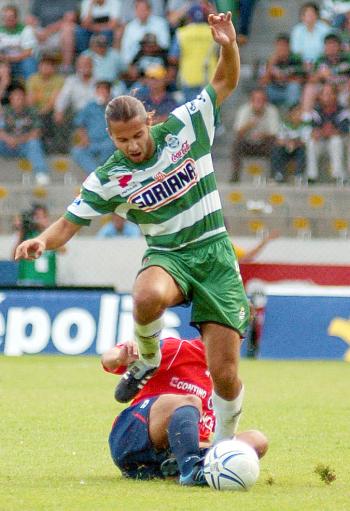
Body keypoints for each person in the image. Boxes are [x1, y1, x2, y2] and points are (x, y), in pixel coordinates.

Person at [15, 13, 251, 469]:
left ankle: (222, 447)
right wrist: (42, 241)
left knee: (225, 374)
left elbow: (225, 81)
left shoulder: (185, 127)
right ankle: (146, 358)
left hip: (216, 253)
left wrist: (229, 44)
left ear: (149, 120)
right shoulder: (111, 177)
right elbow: (69, 222)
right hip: (169, 256)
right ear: (112, 137)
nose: (134, 146)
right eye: (124, 141)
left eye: (139, 135)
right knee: (145, 294)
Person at [103, 337, 268, 483]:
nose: (234, 341)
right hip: (132, 436)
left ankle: (176, 466)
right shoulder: (177, 348)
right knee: (191, 402)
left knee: (256, 441)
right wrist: (120, 357)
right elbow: (107, 359)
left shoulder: (227, 382)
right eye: (229, 333)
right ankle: (191, 469)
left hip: (175, 449)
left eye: (240, 335)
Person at [0, 83, 50, 186]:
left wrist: (17, 140)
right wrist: (9, 139)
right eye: (15, 96)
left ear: (25, 97)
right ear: (10, 98)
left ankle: (41, 173)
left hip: (24, 146)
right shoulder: (5, 112)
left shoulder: (32, 111)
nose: (18, 98)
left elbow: (36, 132)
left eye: (20, 95)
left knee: (34, 143)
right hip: (7, 146)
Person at [231, 88, 280, 182]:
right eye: (256, 100)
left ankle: (274, 176)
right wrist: (249, 125)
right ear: (251, 101)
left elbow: (274, 133)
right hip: (248, 143)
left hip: (264, 143)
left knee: (275, 145)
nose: (259, 103)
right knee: (236, 144)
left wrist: (263, 135)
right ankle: (235, 176)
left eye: (261, 100)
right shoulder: (244, 110)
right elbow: (237, 132)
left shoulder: (272, 111)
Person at [13, 204, 65, 287]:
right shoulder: (27, 235)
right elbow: (14, 257)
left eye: (42, 217)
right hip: (28, 280)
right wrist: (22, 231)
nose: (39, 220)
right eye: (37, 217)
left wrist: (48, 229)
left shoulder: (50, 235)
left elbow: (63, 250)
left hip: (48, 281)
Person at [306, 83, 349, 183]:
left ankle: (337, 175)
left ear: (335, 95)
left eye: (330, 94)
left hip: (339, 144)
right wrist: (323, 132)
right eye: (324, 94)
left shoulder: (343, 110)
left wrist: (329, 132)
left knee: (336, 140)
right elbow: (313, 131)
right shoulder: (315, 110)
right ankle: (312, 176)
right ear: (320, 96)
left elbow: (343, 130)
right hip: (321, 143)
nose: (327, 97)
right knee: (311, 142)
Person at [70, 80, 116, 173]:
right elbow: (79, 124)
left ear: (109, 92)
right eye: (99, 90)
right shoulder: (90, 106)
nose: (101, 93)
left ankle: (98, 176)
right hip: (91, 142)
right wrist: (83, 138)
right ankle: (96, 175)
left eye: (104, 90)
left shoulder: (116, 107)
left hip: (109, 142)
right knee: (77, 152)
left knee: (110, 148)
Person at [26, 55, 65, 154]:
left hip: (51, 110)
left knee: (50, 117)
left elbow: (54, 100)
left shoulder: (59, 79)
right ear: (39, 66)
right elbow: (30, 100)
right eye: (44, 65)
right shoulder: (32, 78)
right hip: (35, 110)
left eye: (50, 65)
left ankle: (55, 146)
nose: (47, 67)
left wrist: (41, 111)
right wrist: (36, 111)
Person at [260, 33, 304, 109]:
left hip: (289, 91)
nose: (281, 48)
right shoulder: (271, 60)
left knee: (294, 87)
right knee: (263, 91)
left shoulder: (296, 59)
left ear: (289, 46)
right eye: (279, 45)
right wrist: (271, 64)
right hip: (274, 90)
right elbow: (263, 82)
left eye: (284, 45)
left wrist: (284, 77)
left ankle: (290, 111)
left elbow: (301, 79)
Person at [271, 104, 309, 183]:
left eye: (300, 113)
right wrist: (288, 143)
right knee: (276, 149)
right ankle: (278, 174)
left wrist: (294, 143)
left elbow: (305, 140)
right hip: (286, 149)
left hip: (298, 150)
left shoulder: (305, 125)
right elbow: (279, 140)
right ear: (290, 114)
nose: (298, 116)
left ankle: (299, 175)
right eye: (296, 113)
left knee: (302, 150)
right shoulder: (284, 125)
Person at [0, 5, 37, 80]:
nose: (8, 19)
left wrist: (10, 58)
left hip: (22, 60)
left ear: (16, 18)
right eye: (6, 16)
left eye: (11, 16)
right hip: (4, 61)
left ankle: (30, 87)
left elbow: (28, 52)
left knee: (29, 63)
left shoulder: (26, 30)